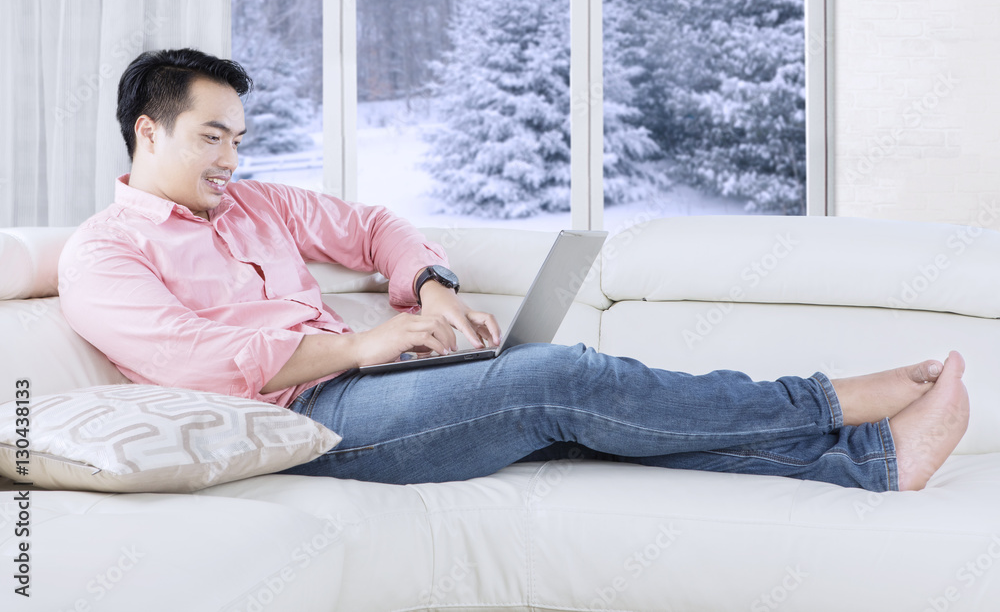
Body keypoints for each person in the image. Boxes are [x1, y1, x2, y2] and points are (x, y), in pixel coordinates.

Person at [57, 48, 970, 493]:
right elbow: (191, 362)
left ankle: (870, 463)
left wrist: (431, 288)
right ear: (148, 129)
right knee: (564, 378)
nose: (231, 158)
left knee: (590, 421)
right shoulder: (103, 252)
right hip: (310, 426)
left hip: (376, 381)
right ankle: (825, 401)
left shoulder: (257, 205)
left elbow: (375, 227)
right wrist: (365, 344)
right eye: (212, 136)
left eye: (240, 139)